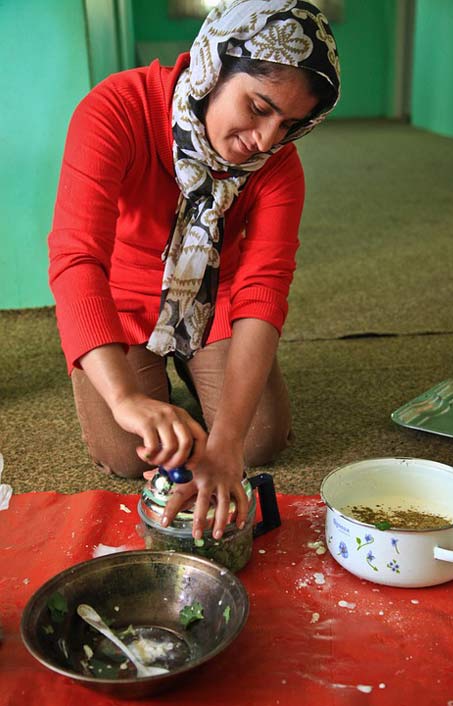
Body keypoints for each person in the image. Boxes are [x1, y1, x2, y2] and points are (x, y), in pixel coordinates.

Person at [48, 0, 340, 541]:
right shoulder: (114, 111)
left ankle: (192, 367)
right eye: (258, 107)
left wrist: (226, 442)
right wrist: (125, 399)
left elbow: (263, 289)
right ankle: (149, 376)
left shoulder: (277, 165)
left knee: (257, 440)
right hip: (123, 300)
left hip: (216, 298)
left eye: (290, 124)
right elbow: (76, 259)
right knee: (127, 451)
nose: (268, 140)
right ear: (211, 70)